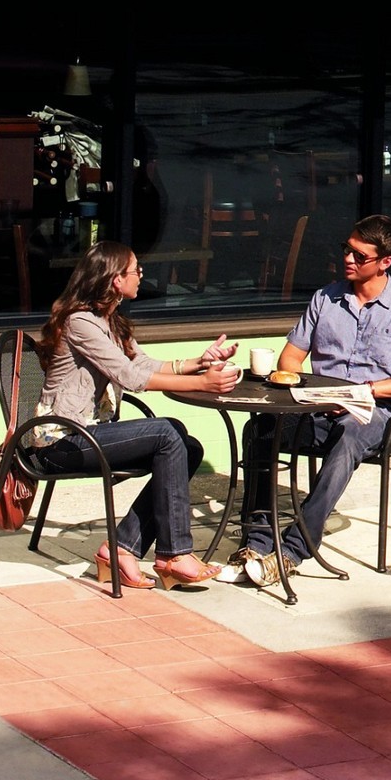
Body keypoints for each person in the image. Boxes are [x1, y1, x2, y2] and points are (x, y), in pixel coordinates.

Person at [230, 216, 391, 586]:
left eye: (360, 256)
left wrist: (367, 391)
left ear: (385, 262)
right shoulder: (325, 299)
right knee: (259, 426)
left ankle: (294, 549)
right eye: (347, 250)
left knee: (350, 434)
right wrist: (308, 390)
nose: (348, 259)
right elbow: (290, 358)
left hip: (378, 412)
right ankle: (258, 541)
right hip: (319, 406)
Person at [34, 244, 237, 590]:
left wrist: (198, 363)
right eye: (135, 270)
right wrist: (201, 383)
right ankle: (174, 554)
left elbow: (141, 364)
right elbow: (130, 378)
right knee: (167, 431)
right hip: (61, 441)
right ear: (116, 281)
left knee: (187, 448)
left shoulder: (109, 321)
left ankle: (122, 549)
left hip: (89, 433)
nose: (141, 275)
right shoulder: (80, 322)